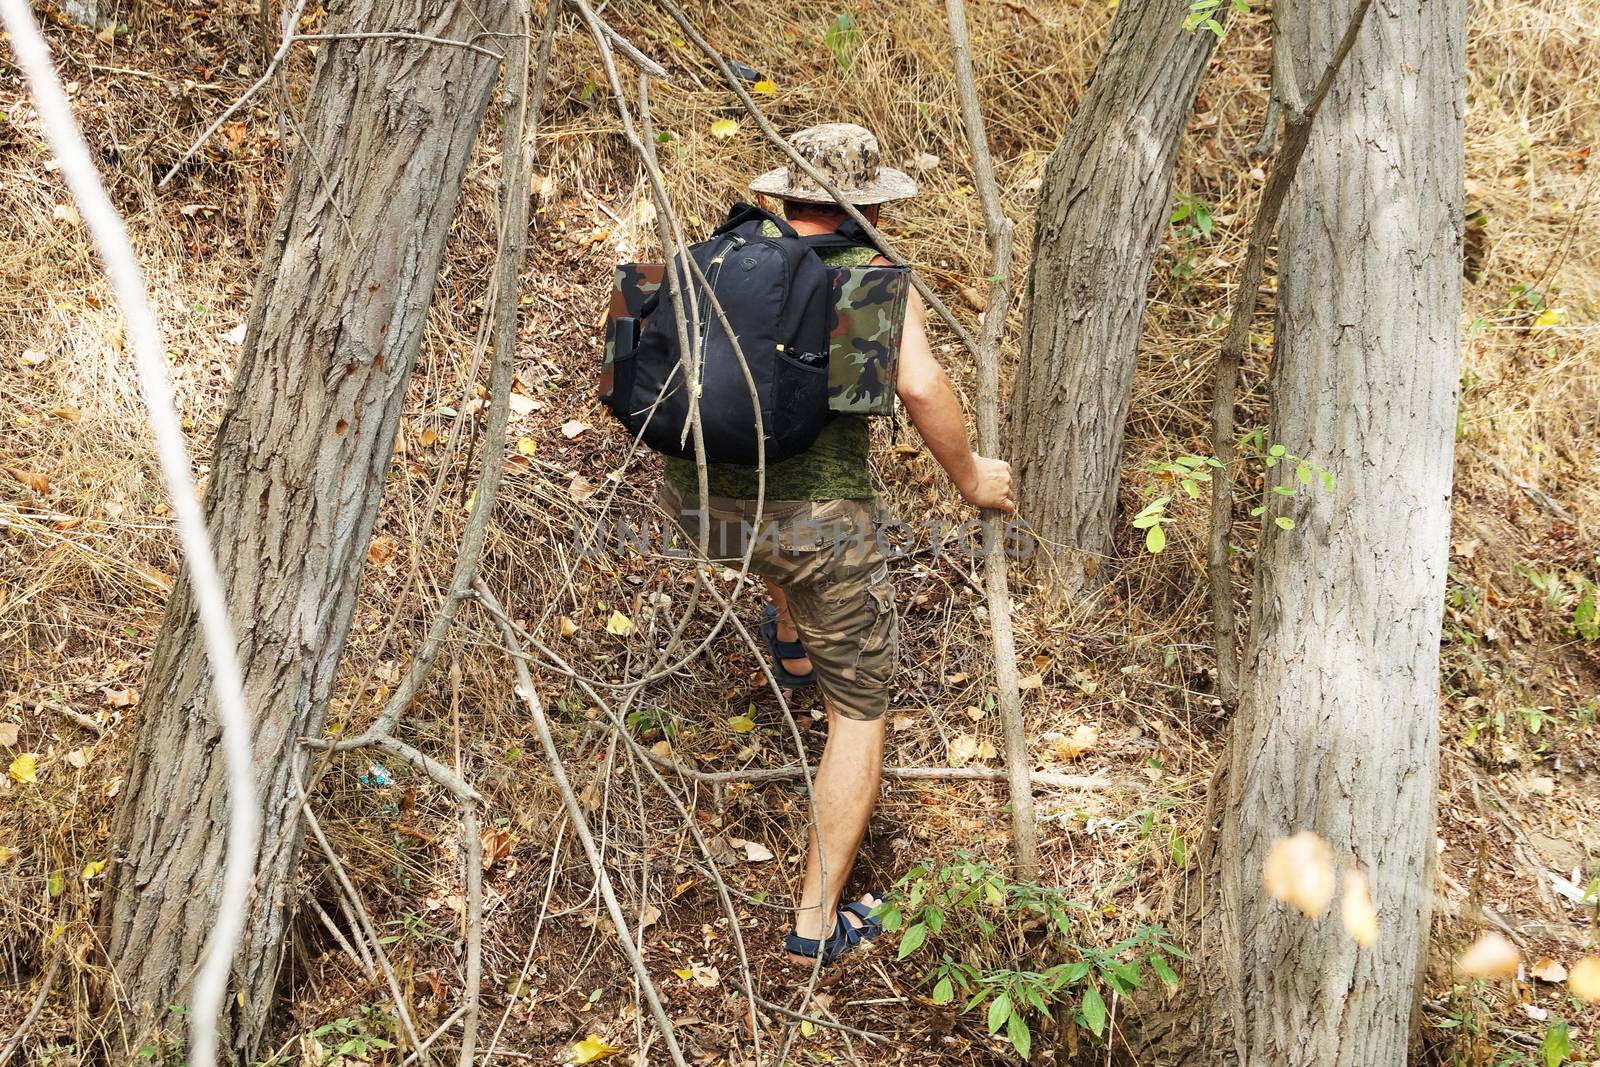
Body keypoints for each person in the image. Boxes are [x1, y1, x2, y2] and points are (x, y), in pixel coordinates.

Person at [659, 123, 1014, 965]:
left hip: (698, 508)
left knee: (773, 537)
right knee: (859, 712)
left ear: (785, 196)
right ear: (868, 205)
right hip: (817, 521)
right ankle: (816, 926)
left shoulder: (717, 259)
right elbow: (916, 387)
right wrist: (973, 480)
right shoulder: (868, 276)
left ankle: (790, 641)